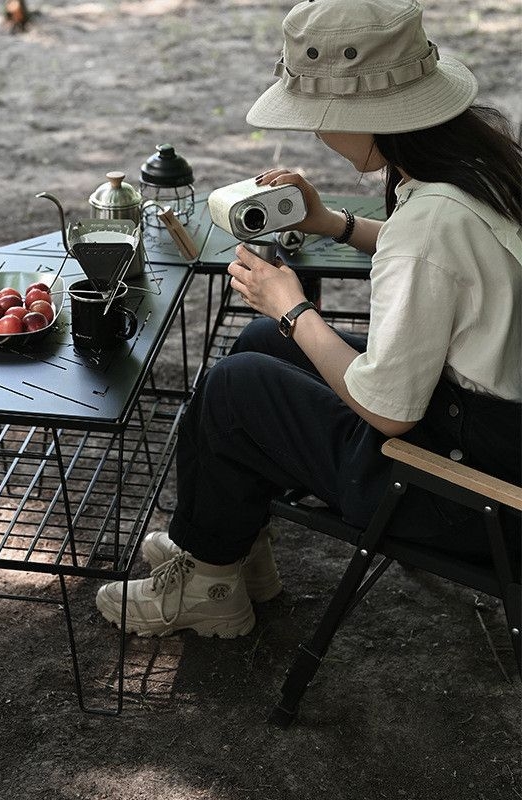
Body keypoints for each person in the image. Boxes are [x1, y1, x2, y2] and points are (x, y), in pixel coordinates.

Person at [96, 0, 522, 638]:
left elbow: (390, 412)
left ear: (365, 118)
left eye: (320, 118)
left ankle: (210, 585)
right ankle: (225, 550)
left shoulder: (429, 226)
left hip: (466, 491)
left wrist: (292, 307)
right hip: (491, 435)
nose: (317, 134)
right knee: (261, 341)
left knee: (236, 385)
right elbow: (447, 260)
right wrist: (329, 223)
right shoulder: (484, 169)